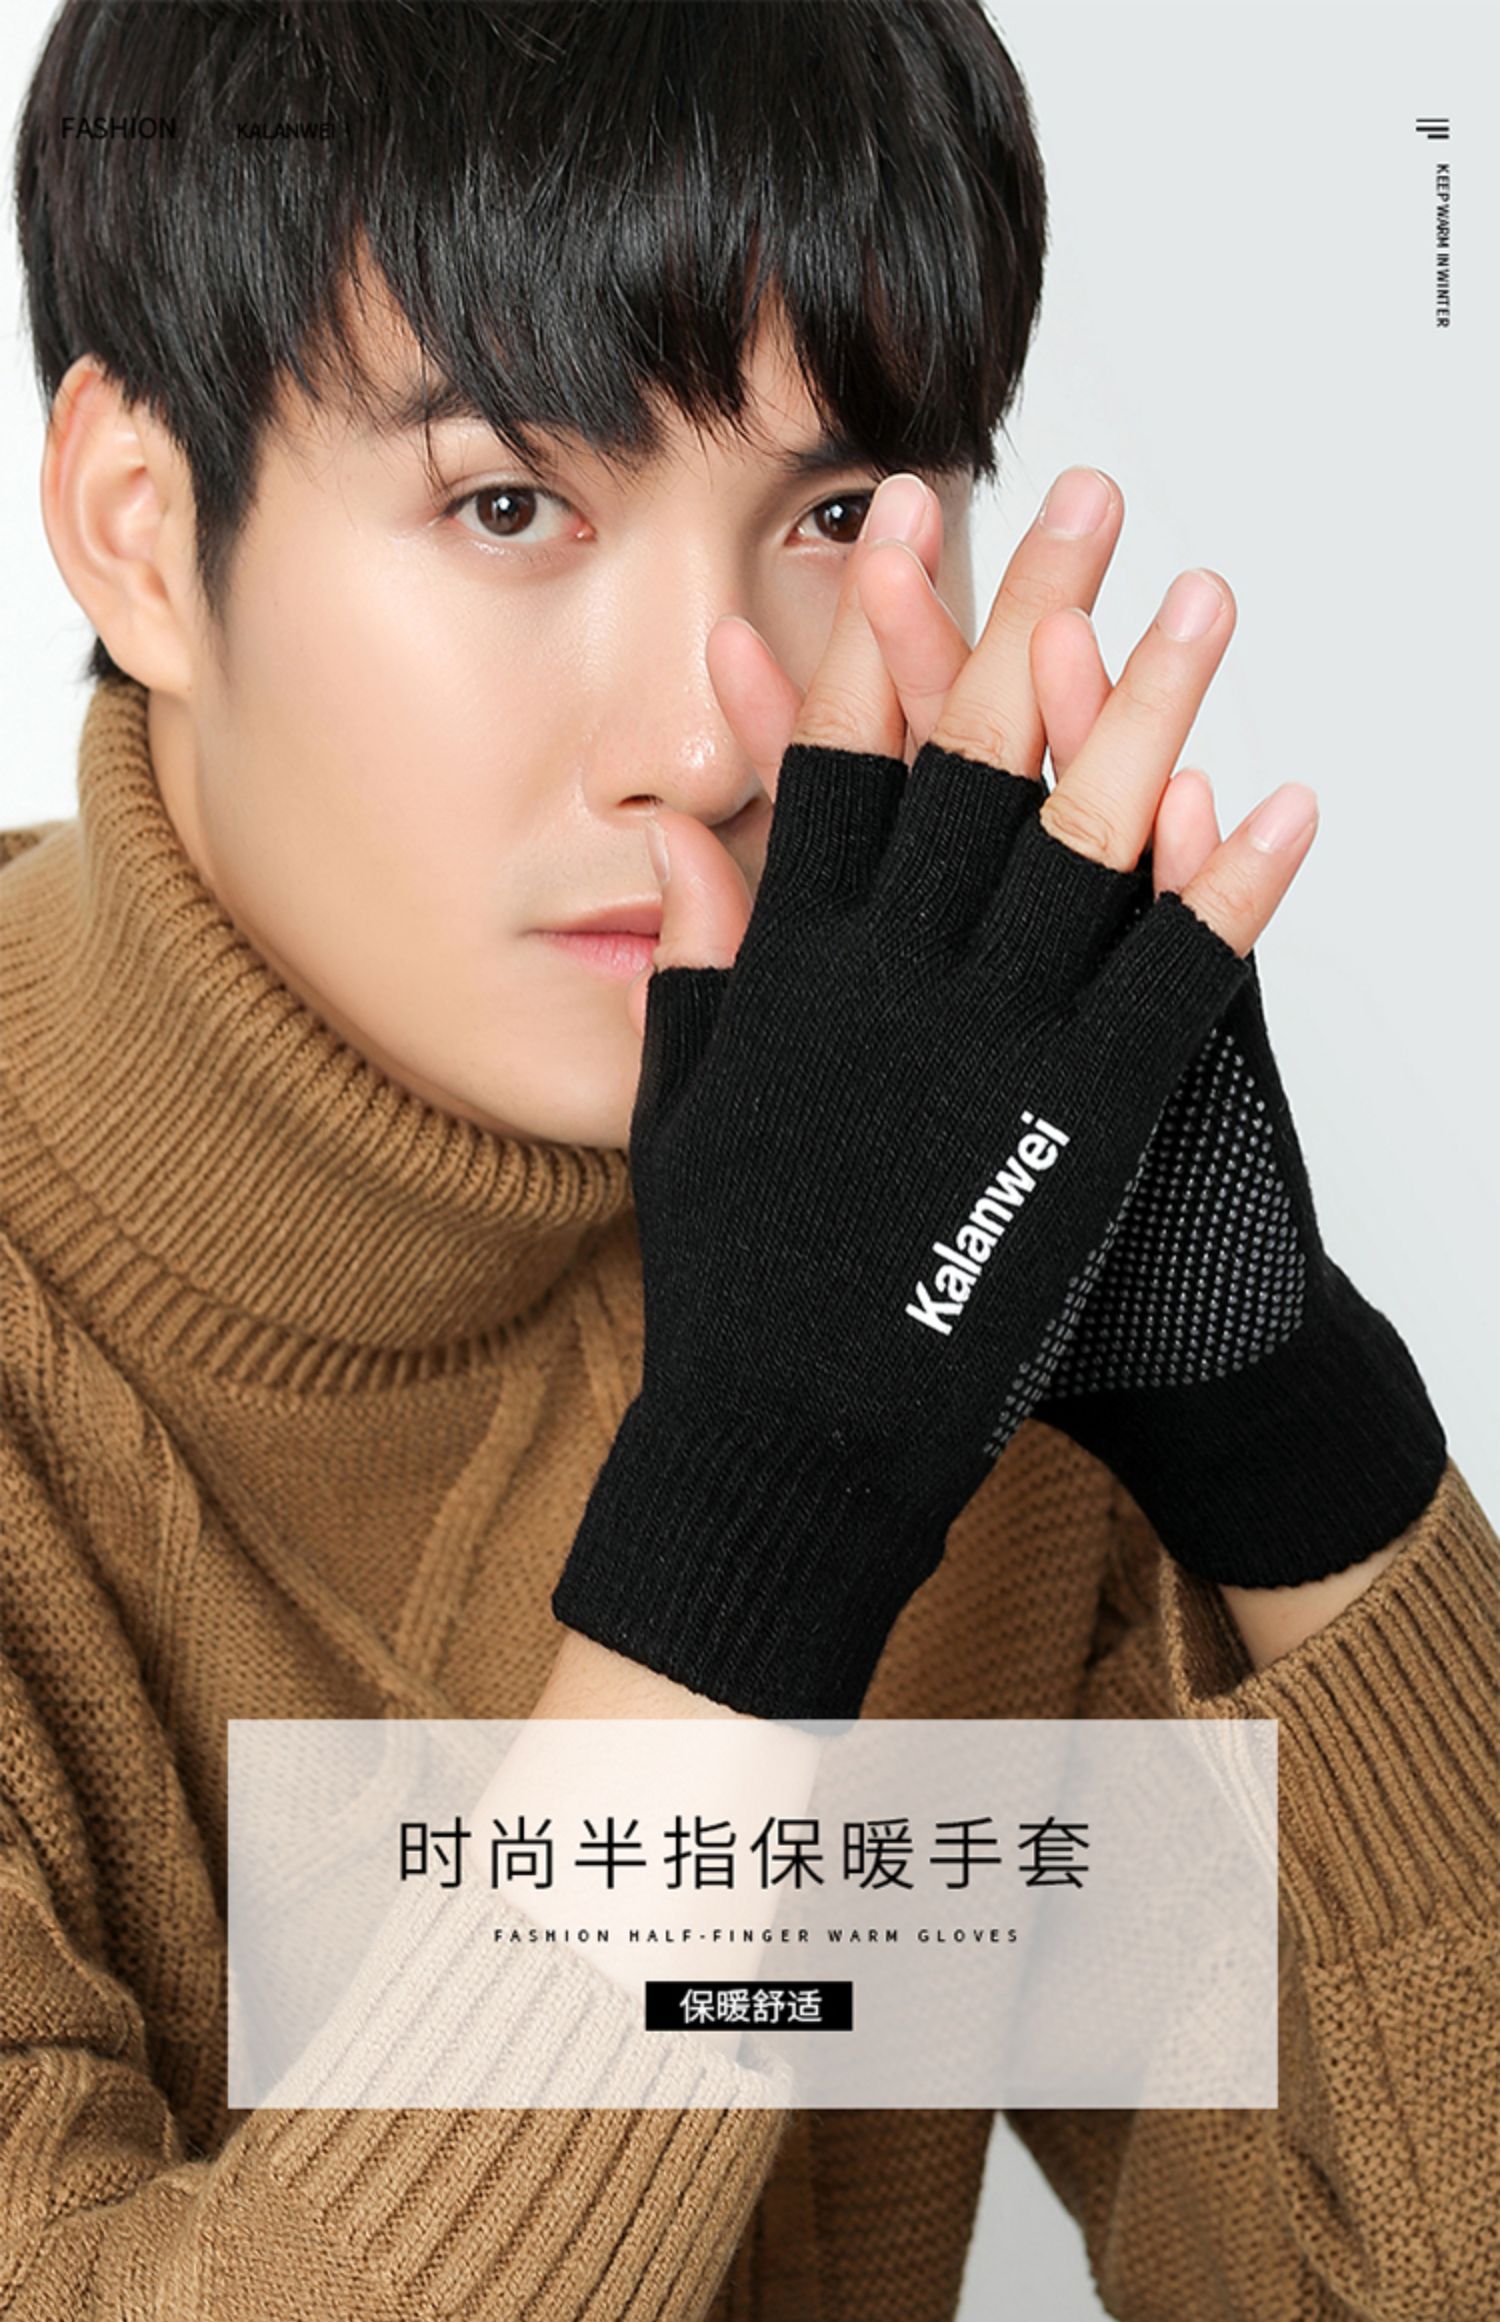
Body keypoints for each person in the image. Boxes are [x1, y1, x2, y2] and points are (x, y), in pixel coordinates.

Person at [2, 3, 1495, 2317]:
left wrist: (1305, 1454)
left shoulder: (928, 1236)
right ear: (138, 531)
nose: (711, 740)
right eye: (509, 506)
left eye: (834, 517)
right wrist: (748, 1551)